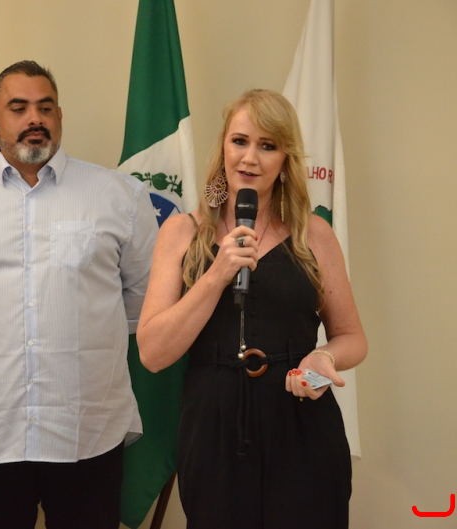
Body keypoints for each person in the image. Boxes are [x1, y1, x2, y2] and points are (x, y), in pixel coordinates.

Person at [0, 60, 158, 529]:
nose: (34, 119)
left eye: (45, 107)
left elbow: (140, 299)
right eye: (18, 107)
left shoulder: (120, 197)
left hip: (87, 436)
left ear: (59, 116)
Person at [137, 89, 368, 528]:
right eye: (240, 141)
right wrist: (217, 274)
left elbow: (352, 338)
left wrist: (322, 361)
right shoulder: (182, 232)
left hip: (302, 428)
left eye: (267, 146)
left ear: (285, 160)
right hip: (214, 431)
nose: (250, 158)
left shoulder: (313, 234)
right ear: (223, 146)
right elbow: (152, 353)